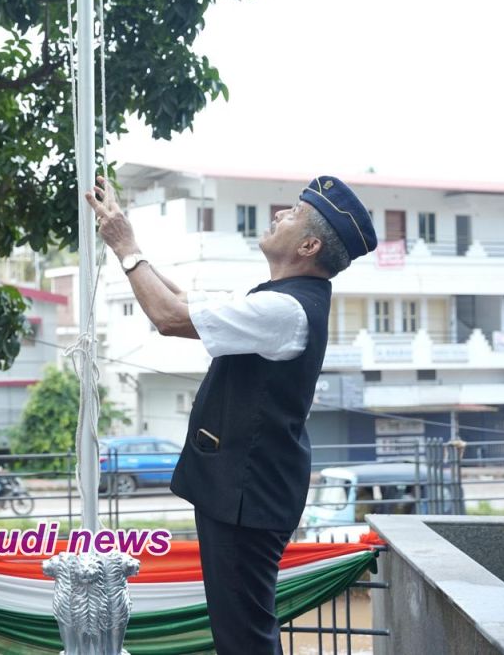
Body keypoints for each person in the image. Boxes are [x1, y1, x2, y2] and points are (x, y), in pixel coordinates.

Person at [85, 174, 377, 655]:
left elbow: (169, 318)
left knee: (244, 636)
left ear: (309, 245)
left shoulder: (285, 309)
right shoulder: (277, 300)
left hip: (247, 494)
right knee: (240, 629)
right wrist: (128, 242)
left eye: (294, 213)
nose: (280, 214)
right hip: (246, 490)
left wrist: (126, 247)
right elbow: (183, 302)